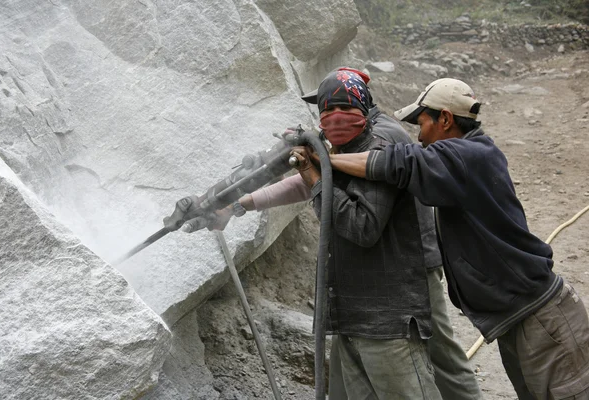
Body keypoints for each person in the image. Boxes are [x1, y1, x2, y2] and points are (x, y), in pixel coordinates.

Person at [213, 69, 478, 399]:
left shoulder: (382, 137)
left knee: (440, 360)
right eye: (326, 111)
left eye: (338, 107)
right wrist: (243, 201)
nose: (330, 119)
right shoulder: (351, 138)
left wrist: (312, 167)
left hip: (409, 267)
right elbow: (313, 178)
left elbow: (349, 212)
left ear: (360, 102)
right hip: (372, 278)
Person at [325, 77, 589, 400]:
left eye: (421, 123)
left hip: (545, 324)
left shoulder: (465, 157)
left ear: (446, 119)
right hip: (522, 321)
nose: (419, 136)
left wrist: (326, 163)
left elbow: (398, 163)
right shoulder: (466, 159)